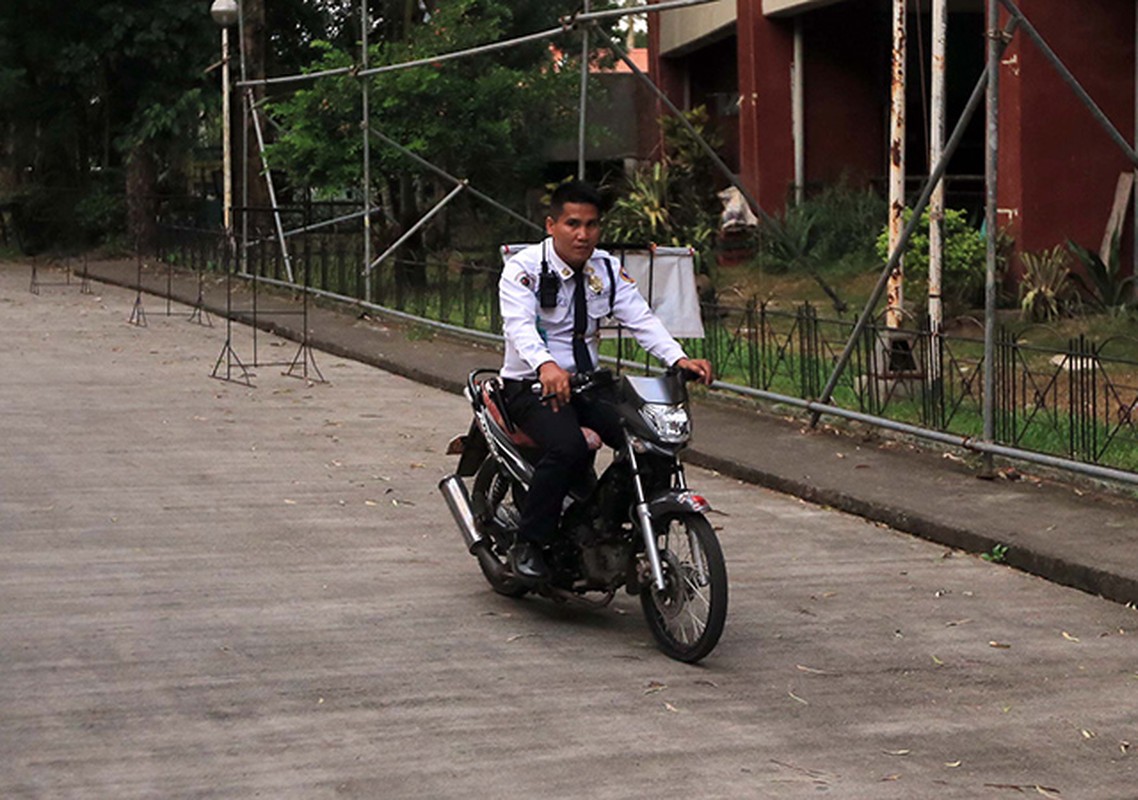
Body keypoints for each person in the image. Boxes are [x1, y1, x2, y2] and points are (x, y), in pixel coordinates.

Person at [497, 180, 713, 581]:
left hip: (588, 385)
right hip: (532, 385)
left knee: (653, 442)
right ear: (551, 225)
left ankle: (618, 525)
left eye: (592, 225)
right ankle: (529, 541)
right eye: (572, 224)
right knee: (567, 447)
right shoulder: (523, 268)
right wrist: (546, 365)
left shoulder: (606, 269)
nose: (583, 235)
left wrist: (679, 357)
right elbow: (519, 327)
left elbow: (641, 319)